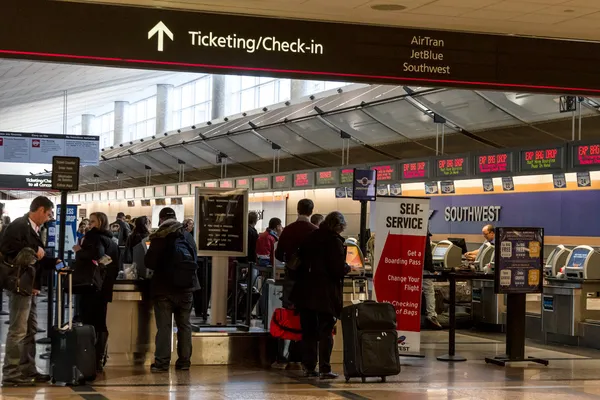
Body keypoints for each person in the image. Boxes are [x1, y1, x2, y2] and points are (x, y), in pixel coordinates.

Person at [0, 196, 60, 386]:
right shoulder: (19, 225)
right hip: (19, 284)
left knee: (30, 329)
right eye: (49, 214)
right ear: (41, 210)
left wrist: (53, 262)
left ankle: (27, 368)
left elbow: (37, 259)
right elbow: (7, 247)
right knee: (18, 330)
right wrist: (35, 248)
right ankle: (11, 373)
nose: (49, 218)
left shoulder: (33, 228)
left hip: (29, 285)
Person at [291, 212, 351, 380]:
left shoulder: (311, 236)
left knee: (308, 331)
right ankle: (325, 369)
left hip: (304, 291)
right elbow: (337, 269)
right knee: (325, 331)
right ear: (339, 226)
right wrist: (347, 268)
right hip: (324, 294)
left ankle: (309, 367)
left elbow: (299, 260)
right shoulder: (334, 241)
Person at [145, 207, 200, 373]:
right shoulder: (188, 236)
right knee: (184, 325)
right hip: (186, 288)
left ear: (161, 220)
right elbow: (195, 258)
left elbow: (149, 263)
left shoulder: (159, 237)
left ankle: (162, 363)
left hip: (164, 289)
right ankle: (184, 362)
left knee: (165, 327)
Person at [272, 200, 318, 370]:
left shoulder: (288, 230)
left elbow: (278, 254)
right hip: (309, 283)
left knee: (287, 316)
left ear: (297, 210)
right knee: (305, 319)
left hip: (291, 280)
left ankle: (282, 356)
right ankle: (299, 356)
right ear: (311, 211)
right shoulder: (315, 231)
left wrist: (290, 261)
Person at [72, 212, 120, 372]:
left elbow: (95, 255)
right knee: (101, 322)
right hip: (105, 288)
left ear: (100, 222)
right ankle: (100, 357)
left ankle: (89, 357)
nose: (89, 225)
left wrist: (79, 251)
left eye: (92, 221)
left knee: (88, 321)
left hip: (90, 287)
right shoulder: (112, 240)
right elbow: (114, 264)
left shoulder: (94, 237)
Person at [422, 231, 442, 329]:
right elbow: (427, 254)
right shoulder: (424, 234)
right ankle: (431, 315)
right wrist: (431, 269)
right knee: (429, 290)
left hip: (411, 263)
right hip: (424, 267)